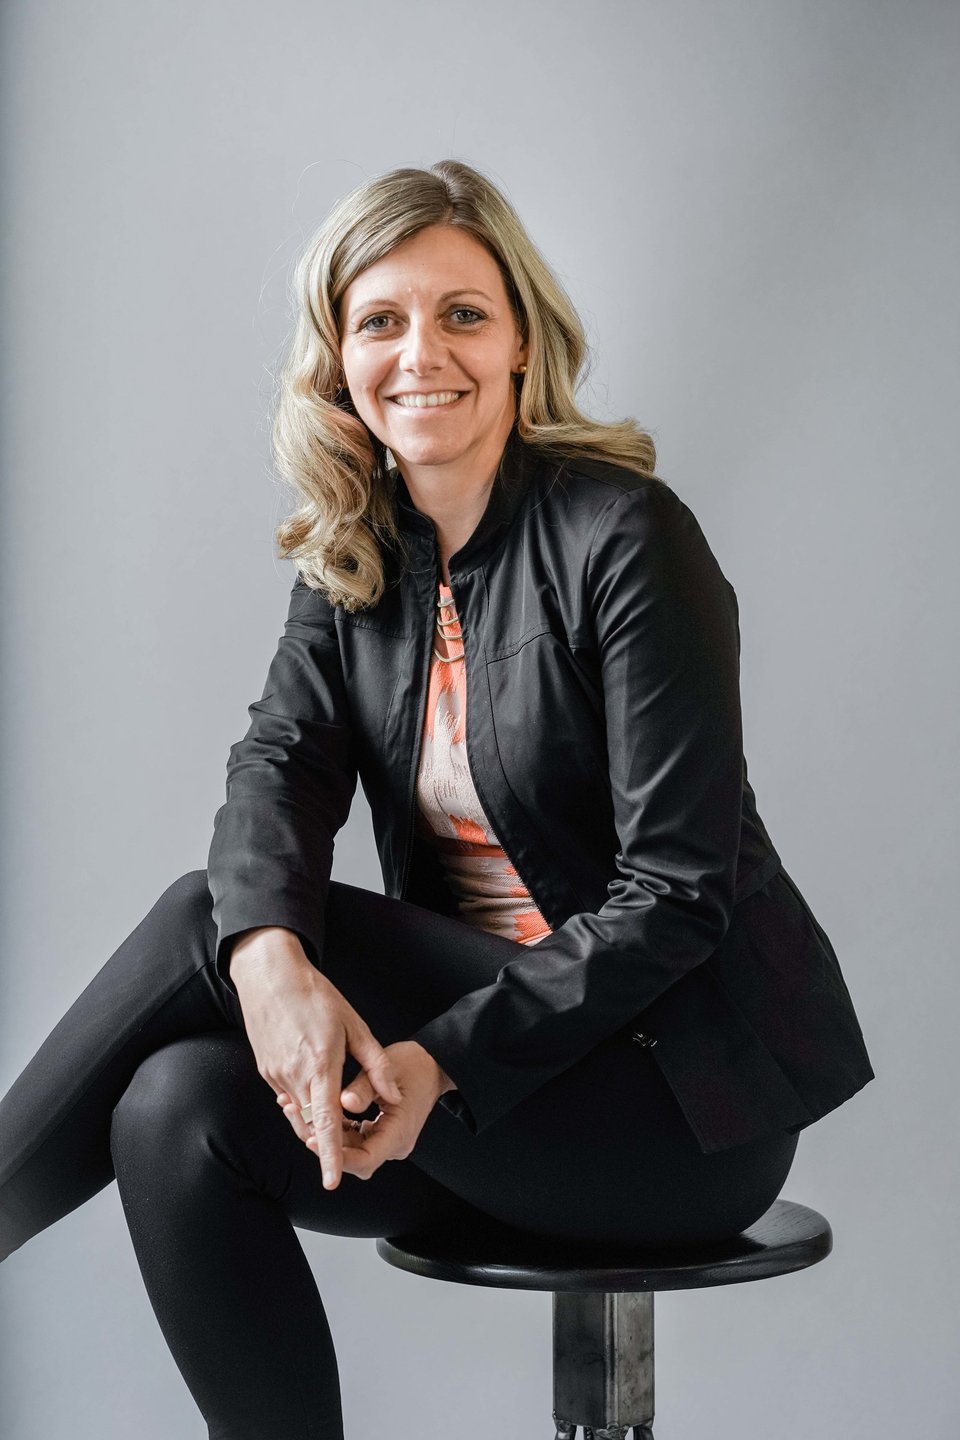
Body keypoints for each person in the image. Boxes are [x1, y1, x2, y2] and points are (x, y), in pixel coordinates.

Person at [0, 159, 874, 1439]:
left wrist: (425, 1053)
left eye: (463, 313)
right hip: (474, 1105)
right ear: (338, 359)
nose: (424, 351)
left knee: (210, 916)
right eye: (381, 320)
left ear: (523, 340)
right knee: (172, 1104)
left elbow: (678, 897)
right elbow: (277, 773)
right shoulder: (357, 557)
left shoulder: (627, 537)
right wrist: (274, 969)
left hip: (669, 1114)